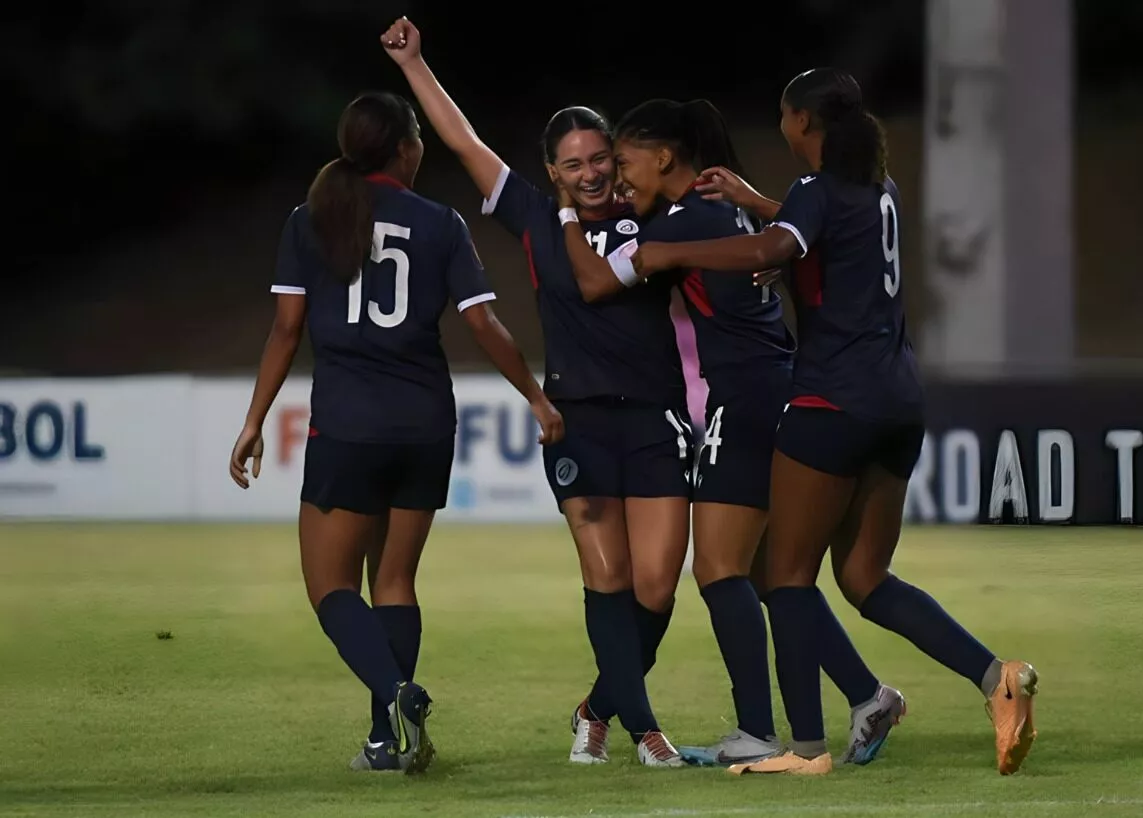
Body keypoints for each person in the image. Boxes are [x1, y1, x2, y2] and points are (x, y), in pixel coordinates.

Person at [631, 68, 1039, 777]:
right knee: (865, 576)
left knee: (784, 577)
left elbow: (773, 248)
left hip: (830, 402)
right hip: (899, 401)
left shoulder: (816, 193)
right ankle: (995, 676)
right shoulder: (880, 190)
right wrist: (754, 199)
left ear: (802, 123)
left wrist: (671, 251)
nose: (782, 127)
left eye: (785, 116)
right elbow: (806, 226)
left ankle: (803, 749)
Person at [556, 97, 905, 767]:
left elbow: (599, 281)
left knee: (717, 568)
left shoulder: (688, 224)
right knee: (773, 575)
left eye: (624, 161)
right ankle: (865, 696)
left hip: (743, 398)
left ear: (664, 158)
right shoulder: (724, 215)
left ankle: (758, 730)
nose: (619, 177)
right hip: (780, 388)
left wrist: (567, 211)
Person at [382, 17, 690, 767]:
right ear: (551, 172)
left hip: (655, 415)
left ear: (616, 158)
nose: (589, 171)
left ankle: (596, 706)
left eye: (598, 157)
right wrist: (414, 64)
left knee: (656, 588)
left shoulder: (649, 212)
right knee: (608, 578)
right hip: (577, 420)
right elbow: (462, 143)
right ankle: (643, 731)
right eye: (573, 163)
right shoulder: (531, 215)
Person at [228, 91, 563, 774]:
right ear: (407, 148)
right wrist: (535, 396)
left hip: (349, 425)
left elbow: (286, 330)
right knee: (396, 581)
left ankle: (395, 696)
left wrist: (254, 420)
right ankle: (387, 741)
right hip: (425, 424)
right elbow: (483, 326)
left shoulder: (310, 220)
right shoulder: (440, 223)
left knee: (330, 587)